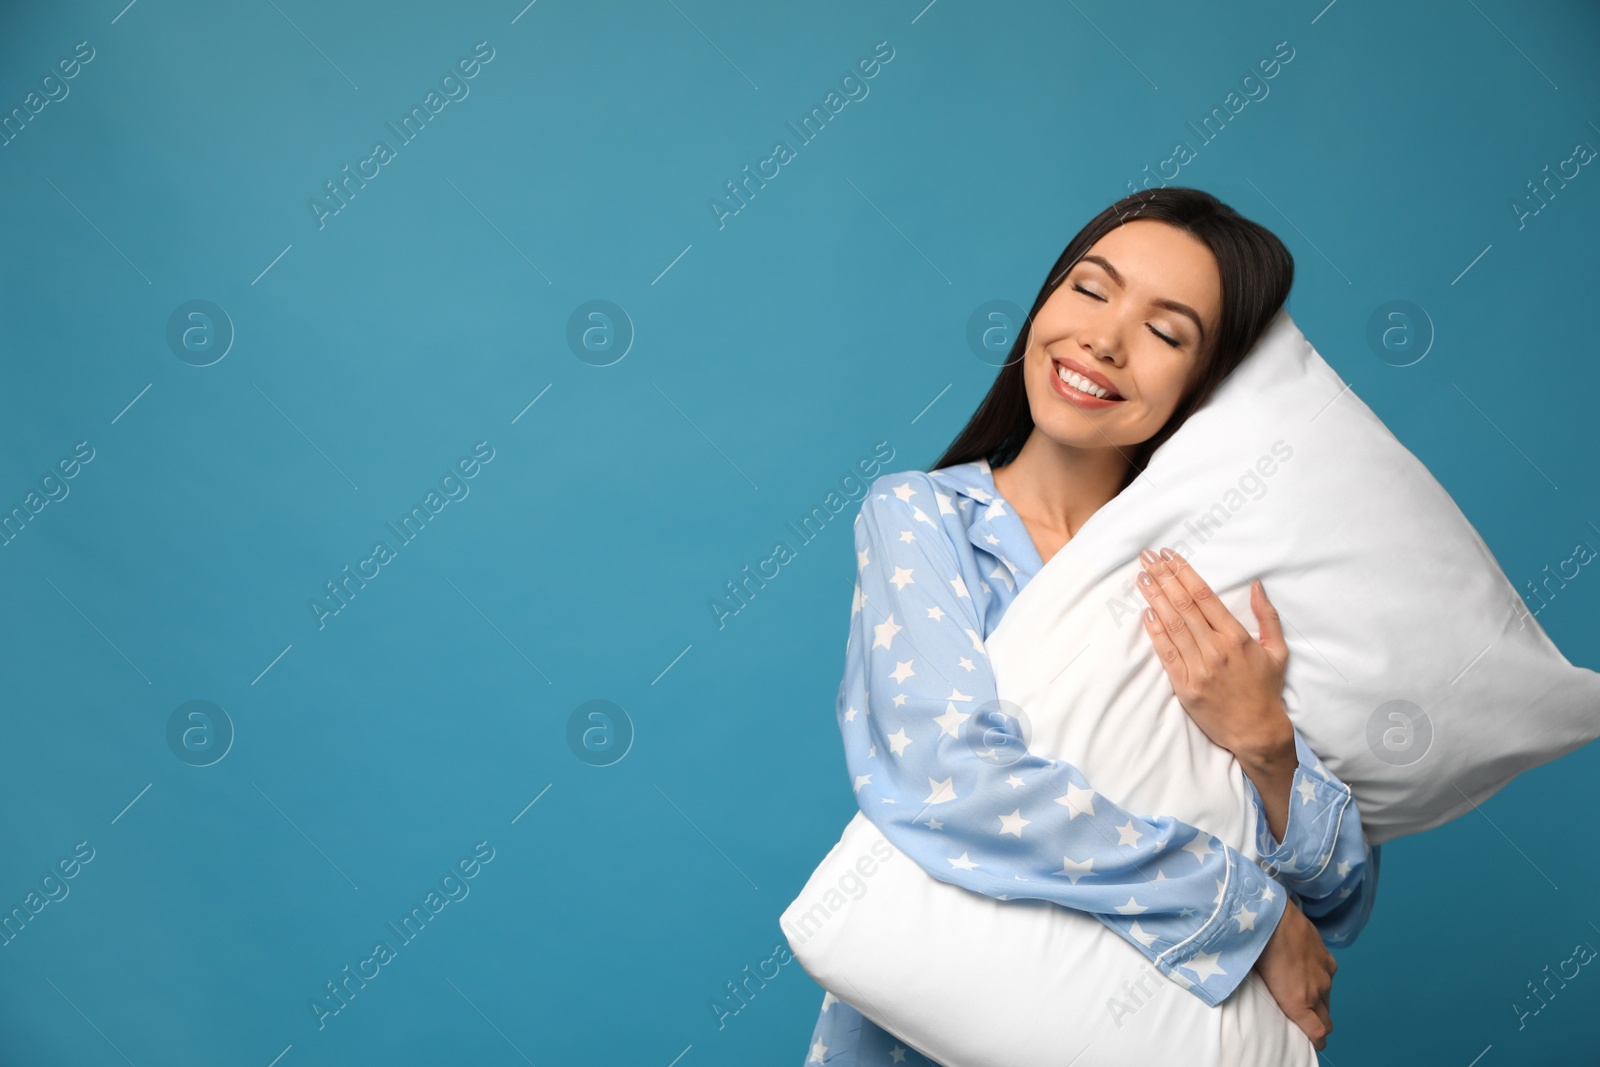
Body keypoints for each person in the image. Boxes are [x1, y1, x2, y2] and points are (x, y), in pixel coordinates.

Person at [802, 188, 1379, 1065]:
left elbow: (1335, 907)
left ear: (1204, 385)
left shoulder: (1208, 584)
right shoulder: (925, 521)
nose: (1105, 339)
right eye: (1090, 288)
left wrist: (1271, 749)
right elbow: (943, 774)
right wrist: (1241, 910)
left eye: (1166, 331)